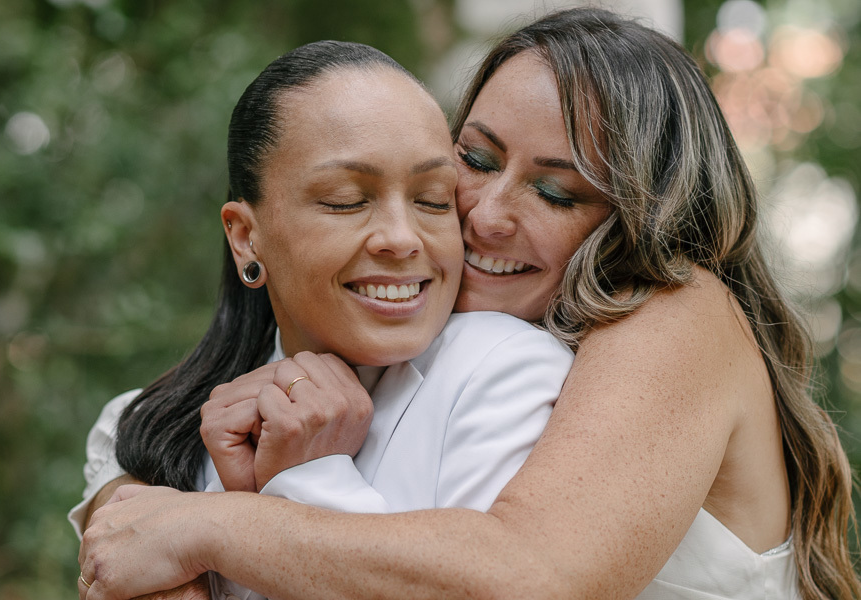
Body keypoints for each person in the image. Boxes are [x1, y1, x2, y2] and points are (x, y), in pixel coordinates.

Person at [77, 8, 861, 600]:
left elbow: (533, 574)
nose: (482, 214)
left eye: (555, 191)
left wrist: (214, 529)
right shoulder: (422, 344)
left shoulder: (678, 312)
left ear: (645, 217)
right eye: (474, 160)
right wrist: (138, 499)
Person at [70, 40, 574, 600]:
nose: (402, 238)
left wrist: (309, 478)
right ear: (244, 235)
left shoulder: (504, 367)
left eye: (433, 200)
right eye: (344, 200)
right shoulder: (160, 426)